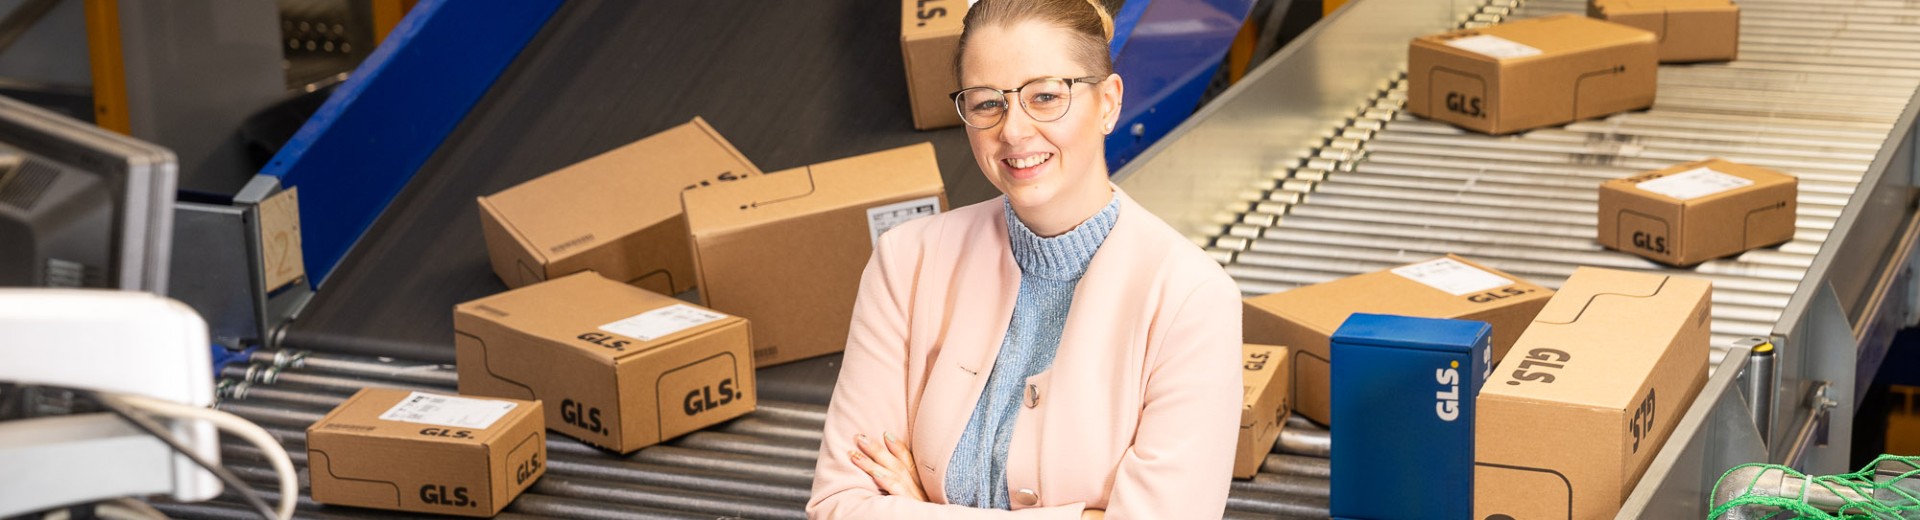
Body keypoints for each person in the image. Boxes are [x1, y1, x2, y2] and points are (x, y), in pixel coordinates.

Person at [806, 0, 1242, 517]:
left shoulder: (1190, 299)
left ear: (1108, 102)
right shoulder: (906, 263)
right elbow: (838, 505)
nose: (1013, 131)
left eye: (1045, 96)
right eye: (988, 103)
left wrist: (919, 508)